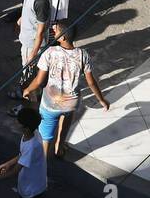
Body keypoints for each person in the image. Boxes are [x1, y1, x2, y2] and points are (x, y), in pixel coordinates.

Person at [21, 22, 108, 157]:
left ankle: (42, 163)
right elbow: (91, 82)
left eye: (56, 32)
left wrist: (27, 89)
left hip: (50, 104)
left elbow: (39, 80)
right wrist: (101, 99)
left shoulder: (49, 53)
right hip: (70, 104)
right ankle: (59, 148)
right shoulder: (83, 54)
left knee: (45, 137)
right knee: (65, 124)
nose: (53, 33)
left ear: (62, 38)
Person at [10, 0, 52, 115]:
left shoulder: (41, 0)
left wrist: (33, 54)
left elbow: (40, 31)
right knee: (29, 77)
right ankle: (30, 97)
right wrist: (21, 19)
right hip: (27, 41)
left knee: (29, 80)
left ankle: (28, 109)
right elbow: (28, 9)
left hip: (32, 46)